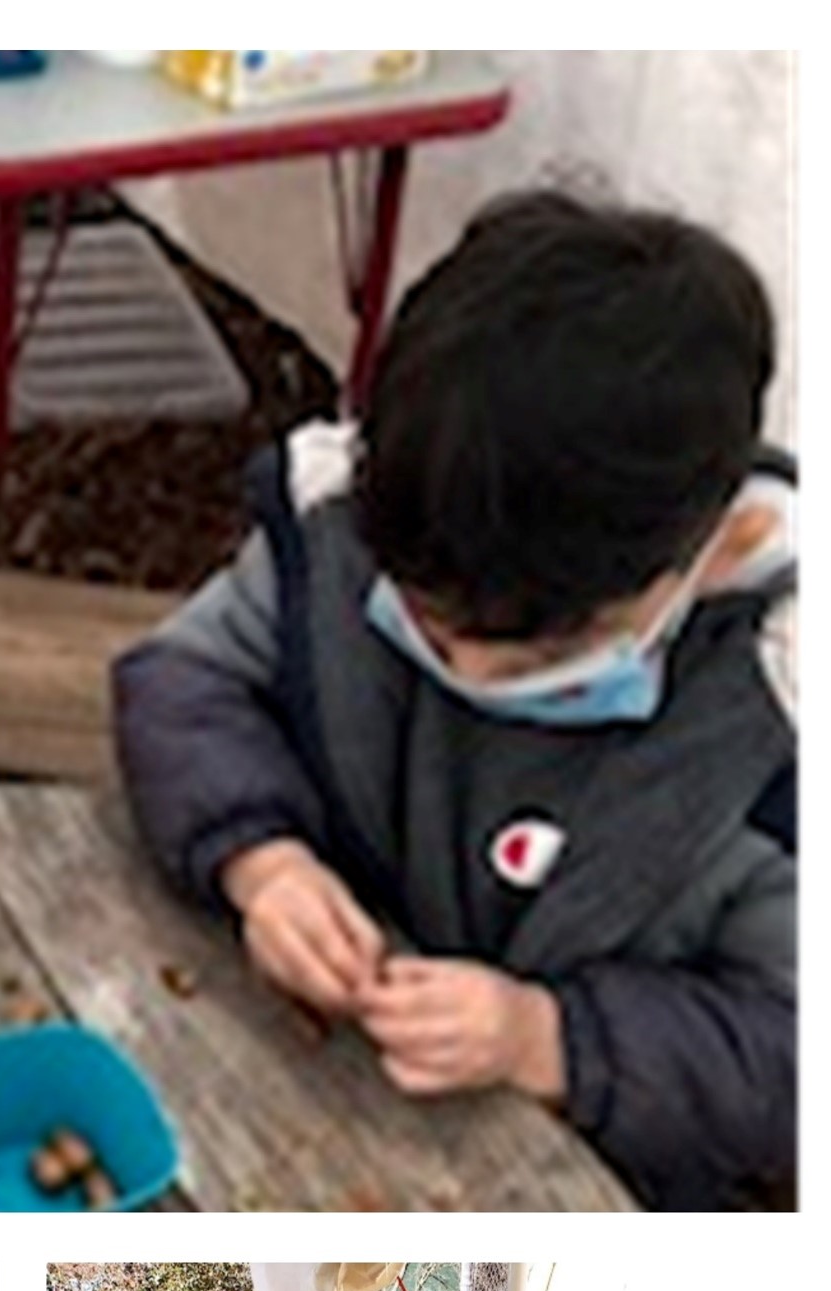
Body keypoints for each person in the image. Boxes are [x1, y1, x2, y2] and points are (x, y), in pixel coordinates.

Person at [113, 192, 795, 1210]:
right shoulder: (369, 515)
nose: (461, 666)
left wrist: (553, 1040)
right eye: (422, 615)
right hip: (299, 1094)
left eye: (526, 651)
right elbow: (183, 679)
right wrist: (263, 859)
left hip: (591, 1202)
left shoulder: (785, 712)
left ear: (709, 551)